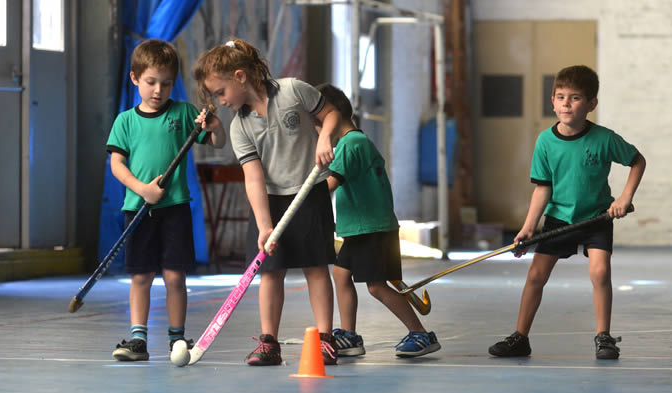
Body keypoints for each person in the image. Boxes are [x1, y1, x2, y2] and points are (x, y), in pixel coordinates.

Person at [193, 38, 341, 366]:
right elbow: (253, 176)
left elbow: (331, 114)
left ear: (240, 76)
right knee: (270, 272)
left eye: (220, 92)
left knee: (316, 268)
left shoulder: (293, 90)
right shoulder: (240, 127)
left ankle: (326, 340)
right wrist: (264, 225)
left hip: (309, 192)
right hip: (271, 202)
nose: (220, 101)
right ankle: (269, 343)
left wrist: (324, 137)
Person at [488, 65, 646, 360]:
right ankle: (520, 337)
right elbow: (542, 189)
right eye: (560, 97)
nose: (566, 103)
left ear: (591, 104)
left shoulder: (604, 138)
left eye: (575, 98)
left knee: (600, 272)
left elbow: (637, 161)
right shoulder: (545, 142)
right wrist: (528, 227)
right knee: (536, 275)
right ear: (552, 102)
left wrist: (624, 197)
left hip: (597, 217)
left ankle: (604, 337)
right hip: (559, 218)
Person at [107, 39, 226, 361]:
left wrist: (216, 128)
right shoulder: (125, 121)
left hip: (175, 208)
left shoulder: (185, 113)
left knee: (175, 275)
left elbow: (215, 142)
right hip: (139, 209)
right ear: (135, 79)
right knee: (141, 275)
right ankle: (137, 339)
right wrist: (142, 188)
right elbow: (116, 164)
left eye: (166, 83)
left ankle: (177, 337)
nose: (158, 90)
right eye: (150, 82)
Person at [318, 83, 441, 358]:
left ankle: (421, 334)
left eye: (318, 121)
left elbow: (329, 184)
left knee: (375, 286)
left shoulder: (352, 144)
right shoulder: (354, 142)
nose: (318, 131)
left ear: (333, 115)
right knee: (341, 274)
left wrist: (295, 202)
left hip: (371, 228)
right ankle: (349, 336)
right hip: (361, 229)